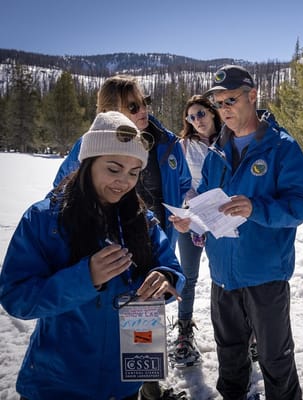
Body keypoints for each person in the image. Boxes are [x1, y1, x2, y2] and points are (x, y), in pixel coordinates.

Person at [0, 111, 186, 400]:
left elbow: (170, 266)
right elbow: (15, 297)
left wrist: (165, 277)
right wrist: (84, 278)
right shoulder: (44, 219)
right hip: (57, 384)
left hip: (124, 382)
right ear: (88, 163)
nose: (123, 182)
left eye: (134, 173)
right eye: (113, 168)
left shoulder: (141, 219)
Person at [169, 64, 303, 400]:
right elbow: (206, 199)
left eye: (231, 100)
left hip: (264, 274)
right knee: (230, 357)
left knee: (275, 359)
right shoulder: (217, 150)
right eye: (219, 104)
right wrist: (190, 219)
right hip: (223, 275)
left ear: (252, 95)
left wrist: (256, 209)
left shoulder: (282, 147)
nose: (224, 110)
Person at [53, 74, 191, 247]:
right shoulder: (90, 145)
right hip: (108, 248)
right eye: (133, 106)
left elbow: (183, 182)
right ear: (110, 110)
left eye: (144, 102)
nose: (143, 110)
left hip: (160, 243)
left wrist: (178, 214)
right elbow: (61, 191)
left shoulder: (168, 143)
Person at [171, 94, 221, 367]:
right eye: (191, 117)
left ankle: (246, 336)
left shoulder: (229, 140)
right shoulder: (183, 146)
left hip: (224, 217)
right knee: (188, 277)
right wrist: (191, 202)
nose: (196, 120)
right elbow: (181, 182)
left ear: (212, 112)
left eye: (200, 114)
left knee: (227, 277)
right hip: (191, 218)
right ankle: (184, 332)